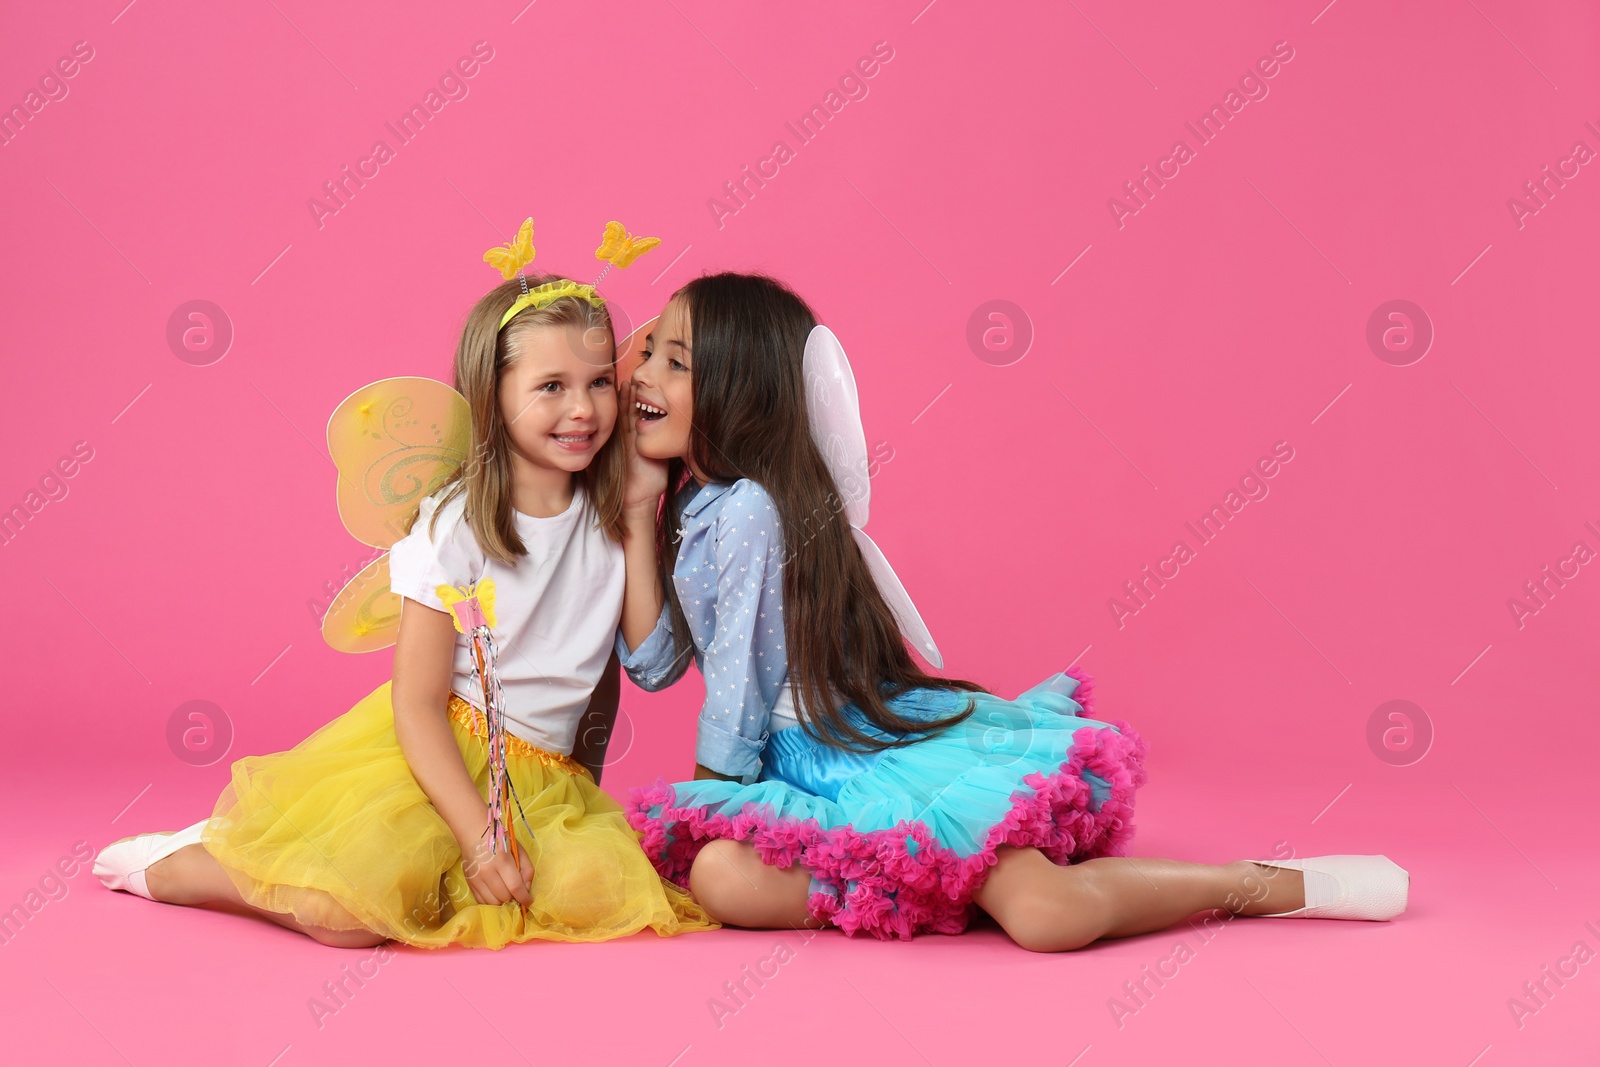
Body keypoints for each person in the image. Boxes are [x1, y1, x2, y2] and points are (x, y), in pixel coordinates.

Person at [612, 271, 1409, 949]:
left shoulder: (751, 508)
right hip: (801, 771)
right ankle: (934, 880)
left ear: (738, 390)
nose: (642, 373)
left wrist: (706, 802)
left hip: (848, 756)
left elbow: (739, 692)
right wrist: (641, 509)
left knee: (1044, 915)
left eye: (674, 362)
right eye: (647, 352)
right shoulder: (700, 508)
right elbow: (653, 664)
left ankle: (1256, 883)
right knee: (722, 875)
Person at [94, 263, 717, 949]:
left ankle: (291, 857)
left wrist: (635, 508)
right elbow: (417, 702)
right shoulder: (458, 524)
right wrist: (480, 836)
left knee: (585, 897)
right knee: (358, 918)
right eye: (551, 387)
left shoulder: (612, 509)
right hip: (442, 757)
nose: (584, 410)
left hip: (545, 779)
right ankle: (194, 863)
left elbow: (640, 652)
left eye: (600, 381)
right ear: (492, 394)